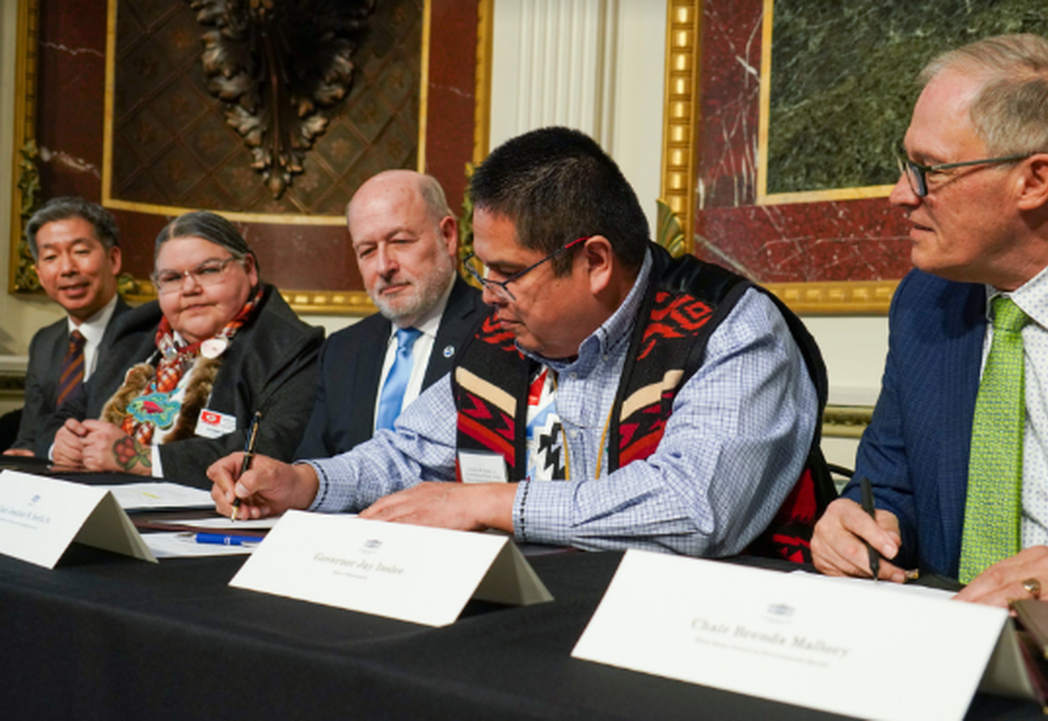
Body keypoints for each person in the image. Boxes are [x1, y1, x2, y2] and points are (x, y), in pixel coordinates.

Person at [209, 126, 824, 557]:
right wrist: (306, 484)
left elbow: (696, 508)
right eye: (483, 271)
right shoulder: (506, 336)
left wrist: (488, 504)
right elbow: (409, 452)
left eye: (507, 273)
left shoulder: (728, 329)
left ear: (596, 261)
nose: (486, 294)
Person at [810, 35, 1048, 606]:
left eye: (930, 170)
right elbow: (889, 489)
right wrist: (858, 525)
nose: (898, 196)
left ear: (1034, 180)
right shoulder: (924, 303)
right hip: (945, 648)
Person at [45, 211, 324, 486]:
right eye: (172, 278)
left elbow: (276, 446)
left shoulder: (290, 346)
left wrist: (142, 459)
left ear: (249, 269)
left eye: (208, 270)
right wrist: (63, 444)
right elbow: (61, 417)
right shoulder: (134, 334)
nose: (189, 288)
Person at [293, 170, 482, 459]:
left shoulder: (497, 331)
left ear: (448, 236)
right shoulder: (342, 350)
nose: (384, 266)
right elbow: (313, 468)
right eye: (367, 250)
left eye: (401, 241)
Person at [5, 198, 131, 456]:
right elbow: (30, 436)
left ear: (113, 259)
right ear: (39, 274)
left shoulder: (149, 334)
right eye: (50, 257)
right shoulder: (44, 341)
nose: (67, 268)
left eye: (81, 252)